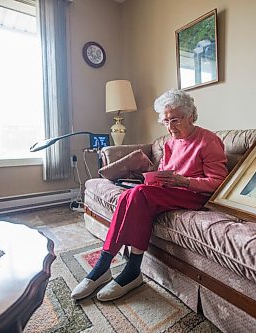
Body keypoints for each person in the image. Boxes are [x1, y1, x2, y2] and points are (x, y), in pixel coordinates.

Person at [71, 89, 228, 301]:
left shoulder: (208, 140)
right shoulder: (169, 142)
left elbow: (219, 182)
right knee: (132, 194)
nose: (170, 127)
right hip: (170, 192)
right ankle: (112, 266)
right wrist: (151, 177)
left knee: (139, 195)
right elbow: (165, 170)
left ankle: (117, 269)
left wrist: (185, 181)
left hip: (194, 195)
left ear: (191, 115)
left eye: (175, 120)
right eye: (165, 121)